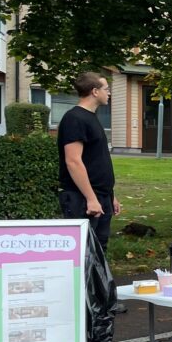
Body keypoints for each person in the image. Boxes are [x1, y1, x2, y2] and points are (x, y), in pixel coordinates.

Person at [58, 72, 120, 251]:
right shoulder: (74, 118)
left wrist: (110, 195)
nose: (109, 93)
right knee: (84, 252)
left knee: (99, 252)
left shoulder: (91, 118)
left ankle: (96, 281)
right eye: (106, 89)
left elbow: (95, 160)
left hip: (101, 197)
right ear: (94, 91)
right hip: (82, 200)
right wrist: (91, 199)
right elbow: (73, 161)